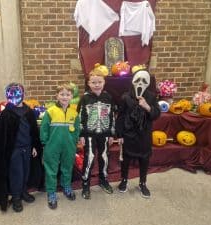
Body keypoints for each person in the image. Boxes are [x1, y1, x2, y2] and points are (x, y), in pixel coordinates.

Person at [0, 83, 42, 212]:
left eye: (18, 93)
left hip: (27, 148)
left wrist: (34, 146)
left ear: (23, 94)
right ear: (7, 95)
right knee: (16, 173)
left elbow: (33, 132)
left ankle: (23, 191)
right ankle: (16, 197)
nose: (15, 96)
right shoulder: (6, 114)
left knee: (26, 171)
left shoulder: (29, 112)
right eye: (12, 94)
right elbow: (2, 135)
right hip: (14, 150)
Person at [115, 68, 160, 198]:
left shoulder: (151, 97)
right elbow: (121, 116)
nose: (140, 83)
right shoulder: (125, 97)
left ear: (148, 82)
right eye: (138, 80)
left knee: (144, 159)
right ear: (133, 81)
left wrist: (147, 106)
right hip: (129, 133)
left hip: (144, 134)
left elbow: (156, 114)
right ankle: (124, 180)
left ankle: (142, 182)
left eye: (144, 80)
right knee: (126, 159)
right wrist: (120, 134)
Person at [77, 67, 115, 200]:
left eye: (99, 82)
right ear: (89, 83)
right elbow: (80, 117)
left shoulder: (108, 97)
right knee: (90, 157)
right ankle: (85, 183)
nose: (96, 85)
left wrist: (111, 133)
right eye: (93, 82)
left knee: (104, 157)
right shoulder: (85, 98)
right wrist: (81, 135)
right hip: (89, 134)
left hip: (104, 133)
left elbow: (112, 117)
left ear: (104, 82)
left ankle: (103, 179)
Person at [40, 83, 80, 209]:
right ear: (56, 96)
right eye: (62, 94)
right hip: (52, 146)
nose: (64, 97)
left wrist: (75, 142)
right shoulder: (50, 112)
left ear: (71, 96)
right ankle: (51, 192)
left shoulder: (74, 112)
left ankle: (66, 186)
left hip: (69, 146)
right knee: (51, 169)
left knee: (67, 167)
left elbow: (77, 129)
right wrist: (44, 143)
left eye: (67, 94)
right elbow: (44, 129)